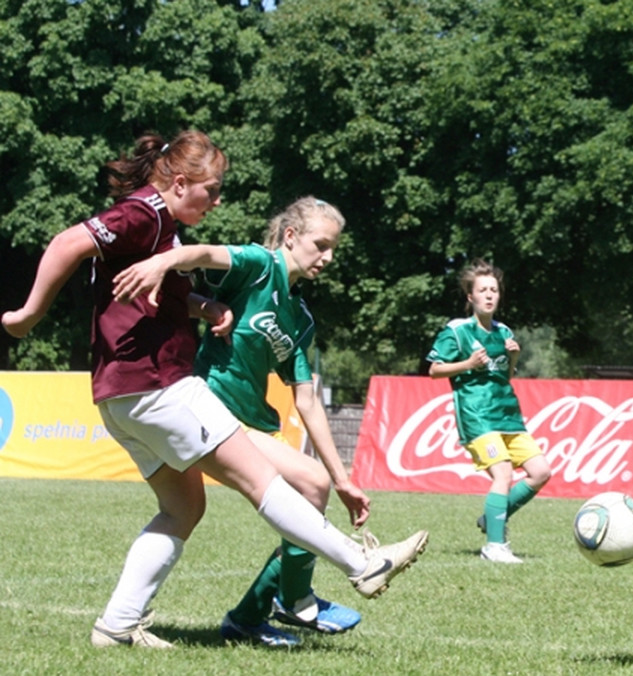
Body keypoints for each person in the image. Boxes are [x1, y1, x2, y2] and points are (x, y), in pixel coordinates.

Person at [2, 131, 427, 649]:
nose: (218, 200)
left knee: (184, 507)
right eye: (213, 189)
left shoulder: (164, 229)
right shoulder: (151, 213)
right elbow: (70, 241)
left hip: (120, 394)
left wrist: (202, 306)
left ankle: (116, 625)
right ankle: (363, 564)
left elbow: (152, 294)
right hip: (160, 386)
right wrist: (28, 314)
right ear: (180, 184)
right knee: (263, 481)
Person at [111, 197, 408, 647]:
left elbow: (306, 401)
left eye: (333, 249)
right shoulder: (258, 264)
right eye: (320, 244)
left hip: (245, 424)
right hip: (207, 407)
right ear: (291, 236)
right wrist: (166, 260)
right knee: (309, 484)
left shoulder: (301, 318)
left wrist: (344, 478)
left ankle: (245, 615)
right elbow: (207, 254)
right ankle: (295, 597)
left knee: (188, 510)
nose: (327, 257)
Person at [426, 259, 551, 564]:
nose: (489, 295)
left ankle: (492, 517)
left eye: (494, 290)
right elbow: (434, 370)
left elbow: (504, 377)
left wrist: (514, 357)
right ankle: (494, 546)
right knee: (504, 473)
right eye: (482, 290)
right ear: (470, 297)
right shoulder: (457, 331)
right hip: (477, 416)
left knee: (540, 472)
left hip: (508, 415)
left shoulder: (504, 331)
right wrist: (467, 364)